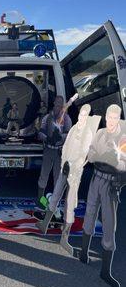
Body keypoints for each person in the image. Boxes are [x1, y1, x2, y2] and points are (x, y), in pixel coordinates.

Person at [37, 105, 100, 255]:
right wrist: (64, 161)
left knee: (69, 205)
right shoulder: (73, 129)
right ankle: (44, 224)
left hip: (75, 172)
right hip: (64, 168)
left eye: (85, 116)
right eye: (80, 115)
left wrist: (74, 165)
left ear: (88, 117)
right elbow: (65, 147)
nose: (81, 118)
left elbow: (84, 153)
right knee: (55, 196)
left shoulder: (88, 133)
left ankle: (64, 238)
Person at [77, 104, 126, 287]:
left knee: (108, 223)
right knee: (89, 213)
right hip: (96, 178)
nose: (111, 120)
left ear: (119, 118)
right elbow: (91, 153)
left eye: (115, 117)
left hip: (111, 183)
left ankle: (106, 271)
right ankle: (83, 253)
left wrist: (120, 178)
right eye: (109, 117)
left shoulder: (123, 137)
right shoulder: (100, 134)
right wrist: (100, 156)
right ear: (105, 117)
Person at [37, 95, 72, 201]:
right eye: (56, 104)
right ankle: (40, 198)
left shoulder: (66, 118)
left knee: (58, 176)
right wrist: (47, 138)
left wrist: (60, 138)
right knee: (44, 174)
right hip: (48, 148)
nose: (58, 106)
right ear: (54, 104)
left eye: (60, 104)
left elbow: (69, 133)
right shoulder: (47, 117)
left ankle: (56, 200)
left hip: (59, 151)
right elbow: (41, 131)